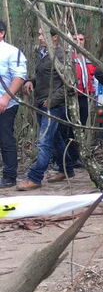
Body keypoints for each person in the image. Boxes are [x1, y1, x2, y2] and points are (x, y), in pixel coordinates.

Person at [18, 32, 73, 190]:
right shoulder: (44, 54)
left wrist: (52, 101)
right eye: (39, 34)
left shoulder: (61, 55)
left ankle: (34, 178)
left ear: (54, 37)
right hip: (42, 103)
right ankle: (66, 169)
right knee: (55, 139)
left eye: (43, 35)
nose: (39, 37)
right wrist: (30, 81)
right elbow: (45, 77)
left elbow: (69, 84)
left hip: (52, 106)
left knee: (44, 142)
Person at [58, 32, 95, 170]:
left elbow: (93, 77)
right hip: (69, 97)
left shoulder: (88, 58)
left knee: (79, 128)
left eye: (81, 39)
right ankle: (64, 159)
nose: (78, 41)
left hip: (84, 97)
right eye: (75, 39)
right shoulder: (66, 58)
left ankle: (75, 158)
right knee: (66, 128)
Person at [0, 21, 27, 188]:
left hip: (6, 104)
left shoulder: (11, 52)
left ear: (1, 33)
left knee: (5, 139)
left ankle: (9, 176)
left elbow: (19, 77)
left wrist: (5, 98)